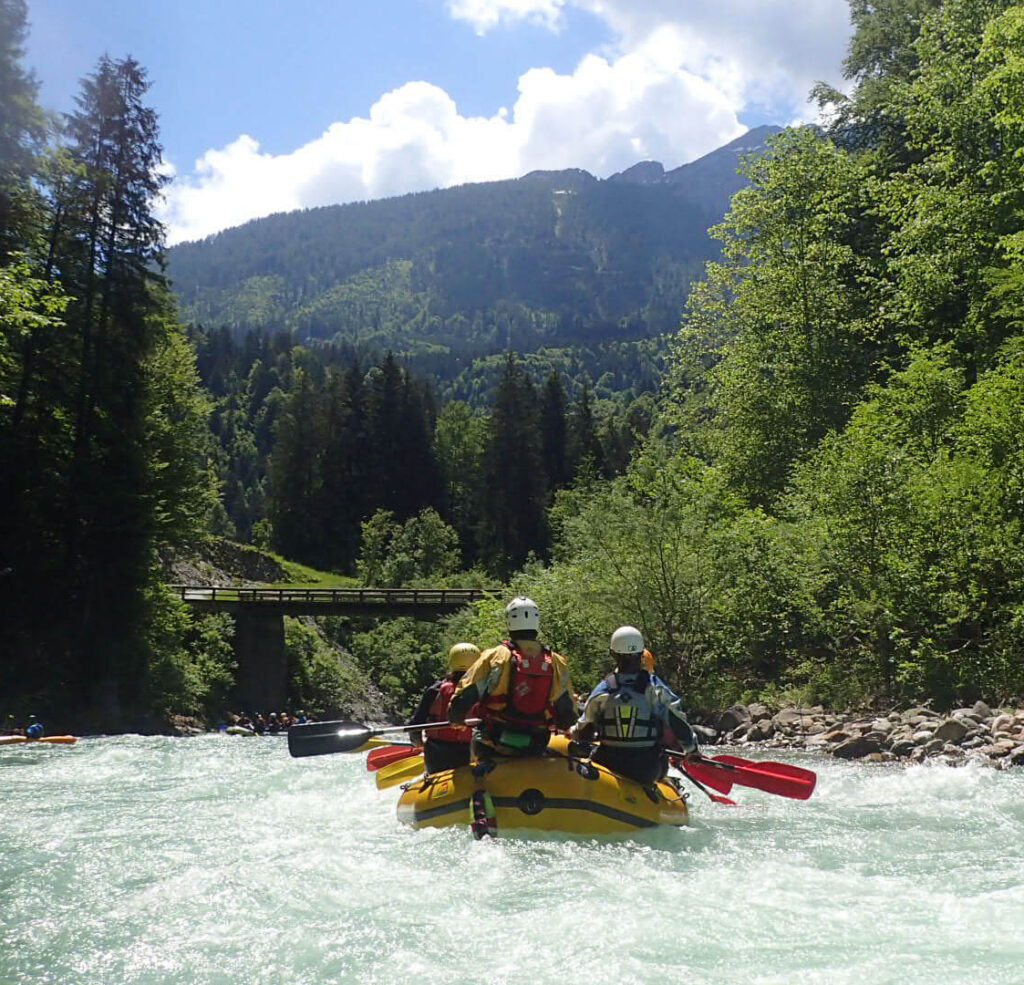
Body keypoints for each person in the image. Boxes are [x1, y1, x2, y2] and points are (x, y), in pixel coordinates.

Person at [449, 597, 576, 761]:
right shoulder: (556, 661)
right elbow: (568, 714)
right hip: (536, 741)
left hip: (496, 738)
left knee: (479, 740)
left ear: (509, 622)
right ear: (536, 623)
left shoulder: (496, 655)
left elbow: (464, 697)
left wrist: (456, 718)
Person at [571, 626, 697, 786]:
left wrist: (573, 732)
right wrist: (692, 749)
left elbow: (584, 728)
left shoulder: (603, 689)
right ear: (641, 654)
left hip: (608, 762)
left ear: (613, 654)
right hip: (646, 767)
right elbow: (677, 722)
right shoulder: (655, 688)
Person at [408, 642, 481, 773]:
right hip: (470, 752)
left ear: (452, 662)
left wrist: (419, 743)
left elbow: (416, 723)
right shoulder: (484, 691)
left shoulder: (435, 689)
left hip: (437, 752)